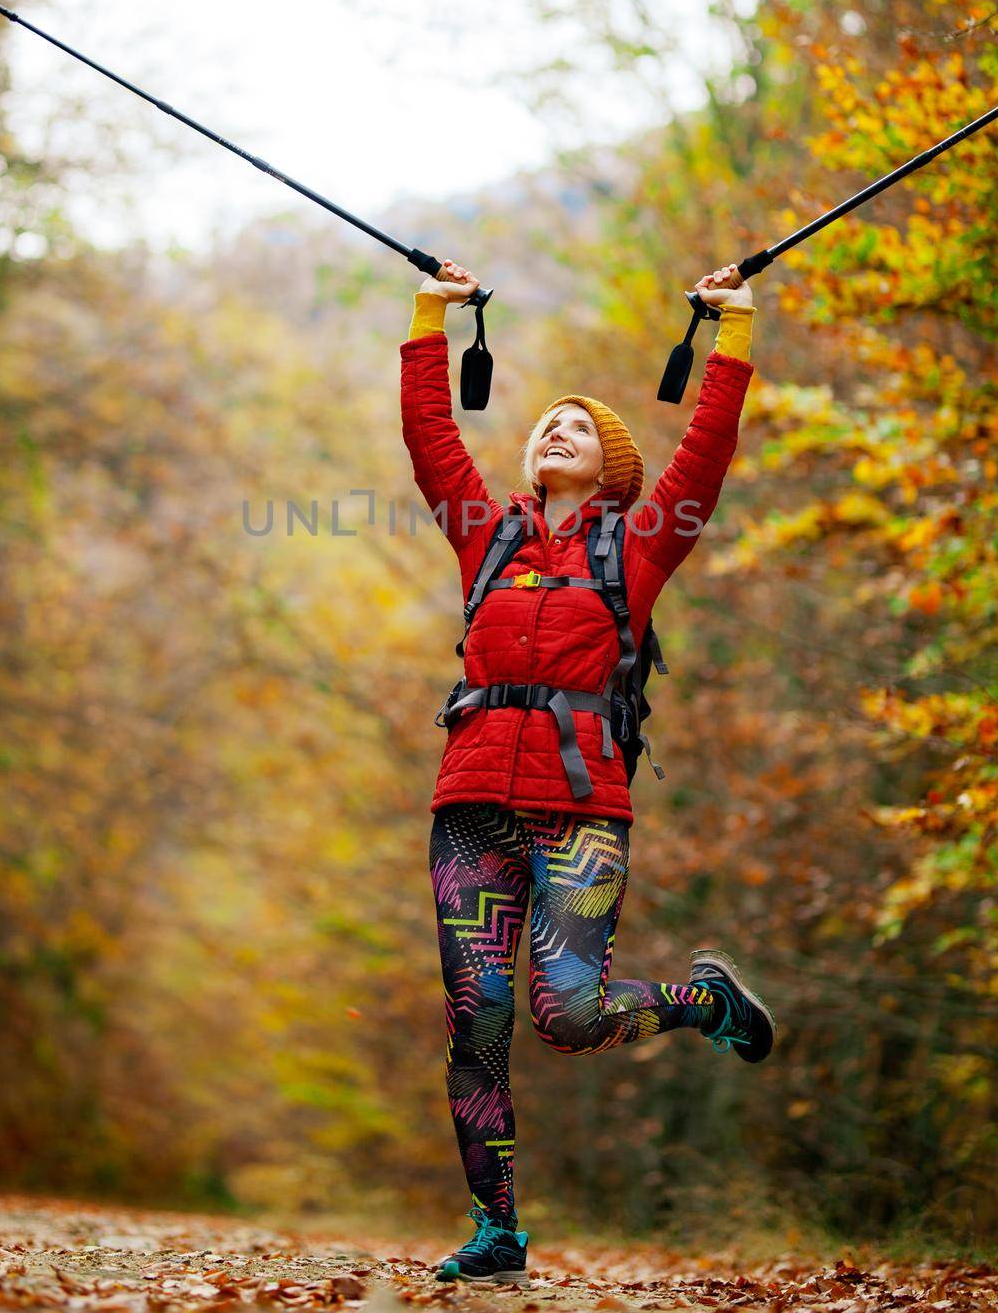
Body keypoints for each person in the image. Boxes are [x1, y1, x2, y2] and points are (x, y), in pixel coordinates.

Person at [400, 256, 777, 1287]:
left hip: (581, 815)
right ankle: (496, 1229)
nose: (550, 431)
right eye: (541, 425)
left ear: (610, 467)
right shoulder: (486, 535)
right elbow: (432, 442)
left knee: (566, 1013)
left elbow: (702, 456)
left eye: (574, 426)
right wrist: (431, 314)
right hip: (470, 808)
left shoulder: (640, 545)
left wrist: (731, 332)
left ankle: (702, 1004)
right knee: (475, 1018)